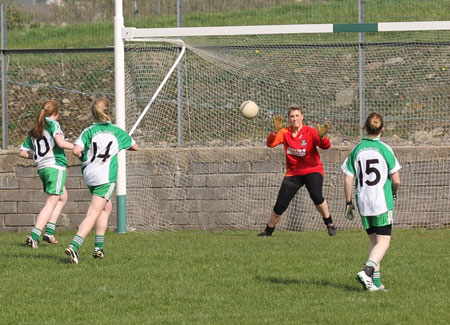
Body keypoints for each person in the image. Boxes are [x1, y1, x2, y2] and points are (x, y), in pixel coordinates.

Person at [65, 98, 138, 264]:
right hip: (105, 176)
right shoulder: (116, 131)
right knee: (94, 212)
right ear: (109, 112)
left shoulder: (88, 131)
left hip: (89, 173)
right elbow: (135, 147)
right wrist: (121, 145)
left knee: (106, 208)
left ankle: (98, 249)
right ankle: (74, 246)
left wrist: (85, 157)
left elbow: (76, 150)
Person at [342, 112, 401, 292]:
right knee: (384, 242)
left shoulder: (357, 150)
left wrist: (348, 202)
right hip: (381, 202)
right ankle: (367, 271)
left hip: (364, 203)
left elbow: (347, 179)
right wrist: (393, 193)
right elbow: (396, 179)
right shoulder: (385, 149)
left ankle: (375, 284)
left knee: (374, 242)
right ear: (382, 129)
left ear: (364, 128)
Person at [257, 104, 336, 237]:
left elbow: (325, 146)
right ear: (288, 119)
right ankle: (268, 231)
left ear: (302, 117)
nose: (295, 119)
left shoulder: (311, 132)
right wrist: (275, 132)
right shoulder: (284, 132)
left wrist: (322, 137)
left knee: (316, 196)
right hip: (293, 173)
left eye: (297, 116)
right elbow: (270, 144)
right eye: (292, 116)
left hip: (312, 170)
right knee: (280, 204)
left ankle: (329, 223)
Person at [19, 100, 74, 248]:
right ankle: (34, 235)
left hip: (42, 168)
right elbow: (61, 143)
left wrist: (38, 156)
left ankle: (49, 232)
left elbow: (23, 153)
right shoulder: (53, 124)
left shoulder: (36, 128)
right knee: (52, 201)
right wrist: (78, 147)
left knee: (62, 197)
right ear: (55, 114)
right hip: (55, 166)